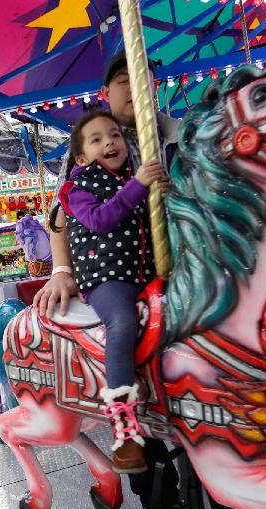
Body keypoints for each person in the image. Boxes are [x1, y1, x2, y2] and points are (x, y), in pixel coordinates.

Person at [35, 51, 228, 509]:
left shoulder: (171, 135)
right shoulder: (84, 152)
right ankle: (157, 499)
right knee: (130, 355)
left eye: (142, 79)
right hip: (115, 276)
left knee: (207, 373)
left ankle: (232, 504)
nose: (133, 87)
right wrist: (62, 269)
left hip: (175, 272)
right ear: (109, 91)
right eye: (124, 80)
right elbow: (63, 218)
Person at [62, 109, 169, 474]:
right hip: (107, 279)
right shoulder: (77, 189)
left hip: (144, 274)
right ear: (81, 158)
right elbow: (100, 219)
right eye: (97, 139)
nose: (109, 142)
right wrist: (138, 186)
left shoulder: (131, 179)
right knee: (122, 324)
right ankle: (123, 426)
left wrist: (158, 195)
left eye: (115, 136)